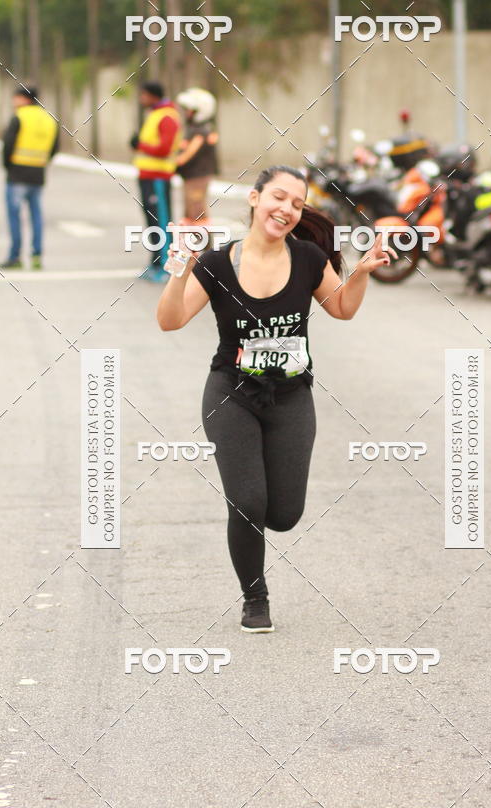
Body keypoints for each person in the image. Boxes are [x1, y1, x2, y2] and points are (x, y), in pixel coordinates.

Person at [156, 165, 396, 633]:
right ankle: (255, 598)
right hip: (231, 394)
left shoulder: (307, 258)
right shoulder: (217, 263)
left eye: (297, 204)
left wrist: (362, 272)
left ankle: (260, 532)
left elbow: (342, 308)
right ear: (255, 198)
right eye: (278, 197)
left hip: (290, 395)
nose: (286, 209)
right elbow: (170, 320)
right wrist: (181, 266)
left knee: (283, 514)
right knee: (247, 502)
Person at [0, 85, 59, 270]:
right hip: (38, 173)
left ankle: (15, 257)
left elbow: (8, 144)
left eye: (16, 97)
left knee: (15, 216)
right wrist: (42, 162)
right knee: (36, 216)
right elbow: (54, 147)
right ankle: (37, 256)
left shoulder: (20, 116)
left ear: (25, 99)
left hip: (17, 173)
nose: (14, 101)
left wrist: (7, 166)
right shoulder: (49, 118)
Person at [131, 81, 181, 283]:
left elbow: (164, 149)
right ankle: (155, 262)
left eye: (143, 95)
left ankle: (167, 266)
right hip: (147, 176)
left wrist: (140, 145)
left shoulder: (167, 116)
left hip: (158, 178)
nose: (141, 99)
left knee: (161, 221)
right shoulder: (155, 114)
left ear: (153, 96)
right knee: (152, 221)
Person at [175, 87, 219, 224]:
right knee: (190, 213)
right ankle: (191, 237)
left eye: (190, 110)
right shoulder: (195, 129)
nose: (186, 113)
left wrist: (169, 164)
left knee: (197, 212)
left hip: (197, 178)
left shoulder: (201, 131)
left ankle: (203, 238)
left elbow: (187, 155)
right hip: (191, 177)